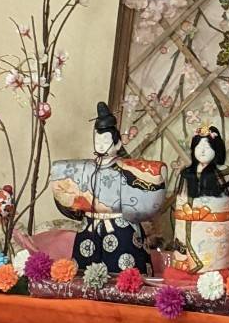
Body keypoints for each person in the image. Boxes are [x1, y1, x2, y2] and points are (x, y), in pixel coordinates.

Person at [51, 102, 166, 275]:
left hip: (121, 225)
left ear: (118, 144)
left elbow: (148, 184)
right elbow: (68, 188)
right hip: (90, 224)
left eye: (106, 140)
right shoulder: (85, 168)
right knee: (84, 272)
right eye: (98, 140)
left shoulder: (127, 169)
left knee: (124, 272)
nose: (101, 145)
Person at [173, 125, 229, 274]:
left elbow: (227, 203)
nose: (202, 151)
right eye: (198, 146)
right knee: (185, 259)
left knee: (214, 262)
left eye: (207, 147)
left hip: (213, 229)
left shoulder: (224, 172)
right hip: (186, 224)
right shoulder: (186, 173)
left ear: (217, 149)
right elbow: (181, 201)